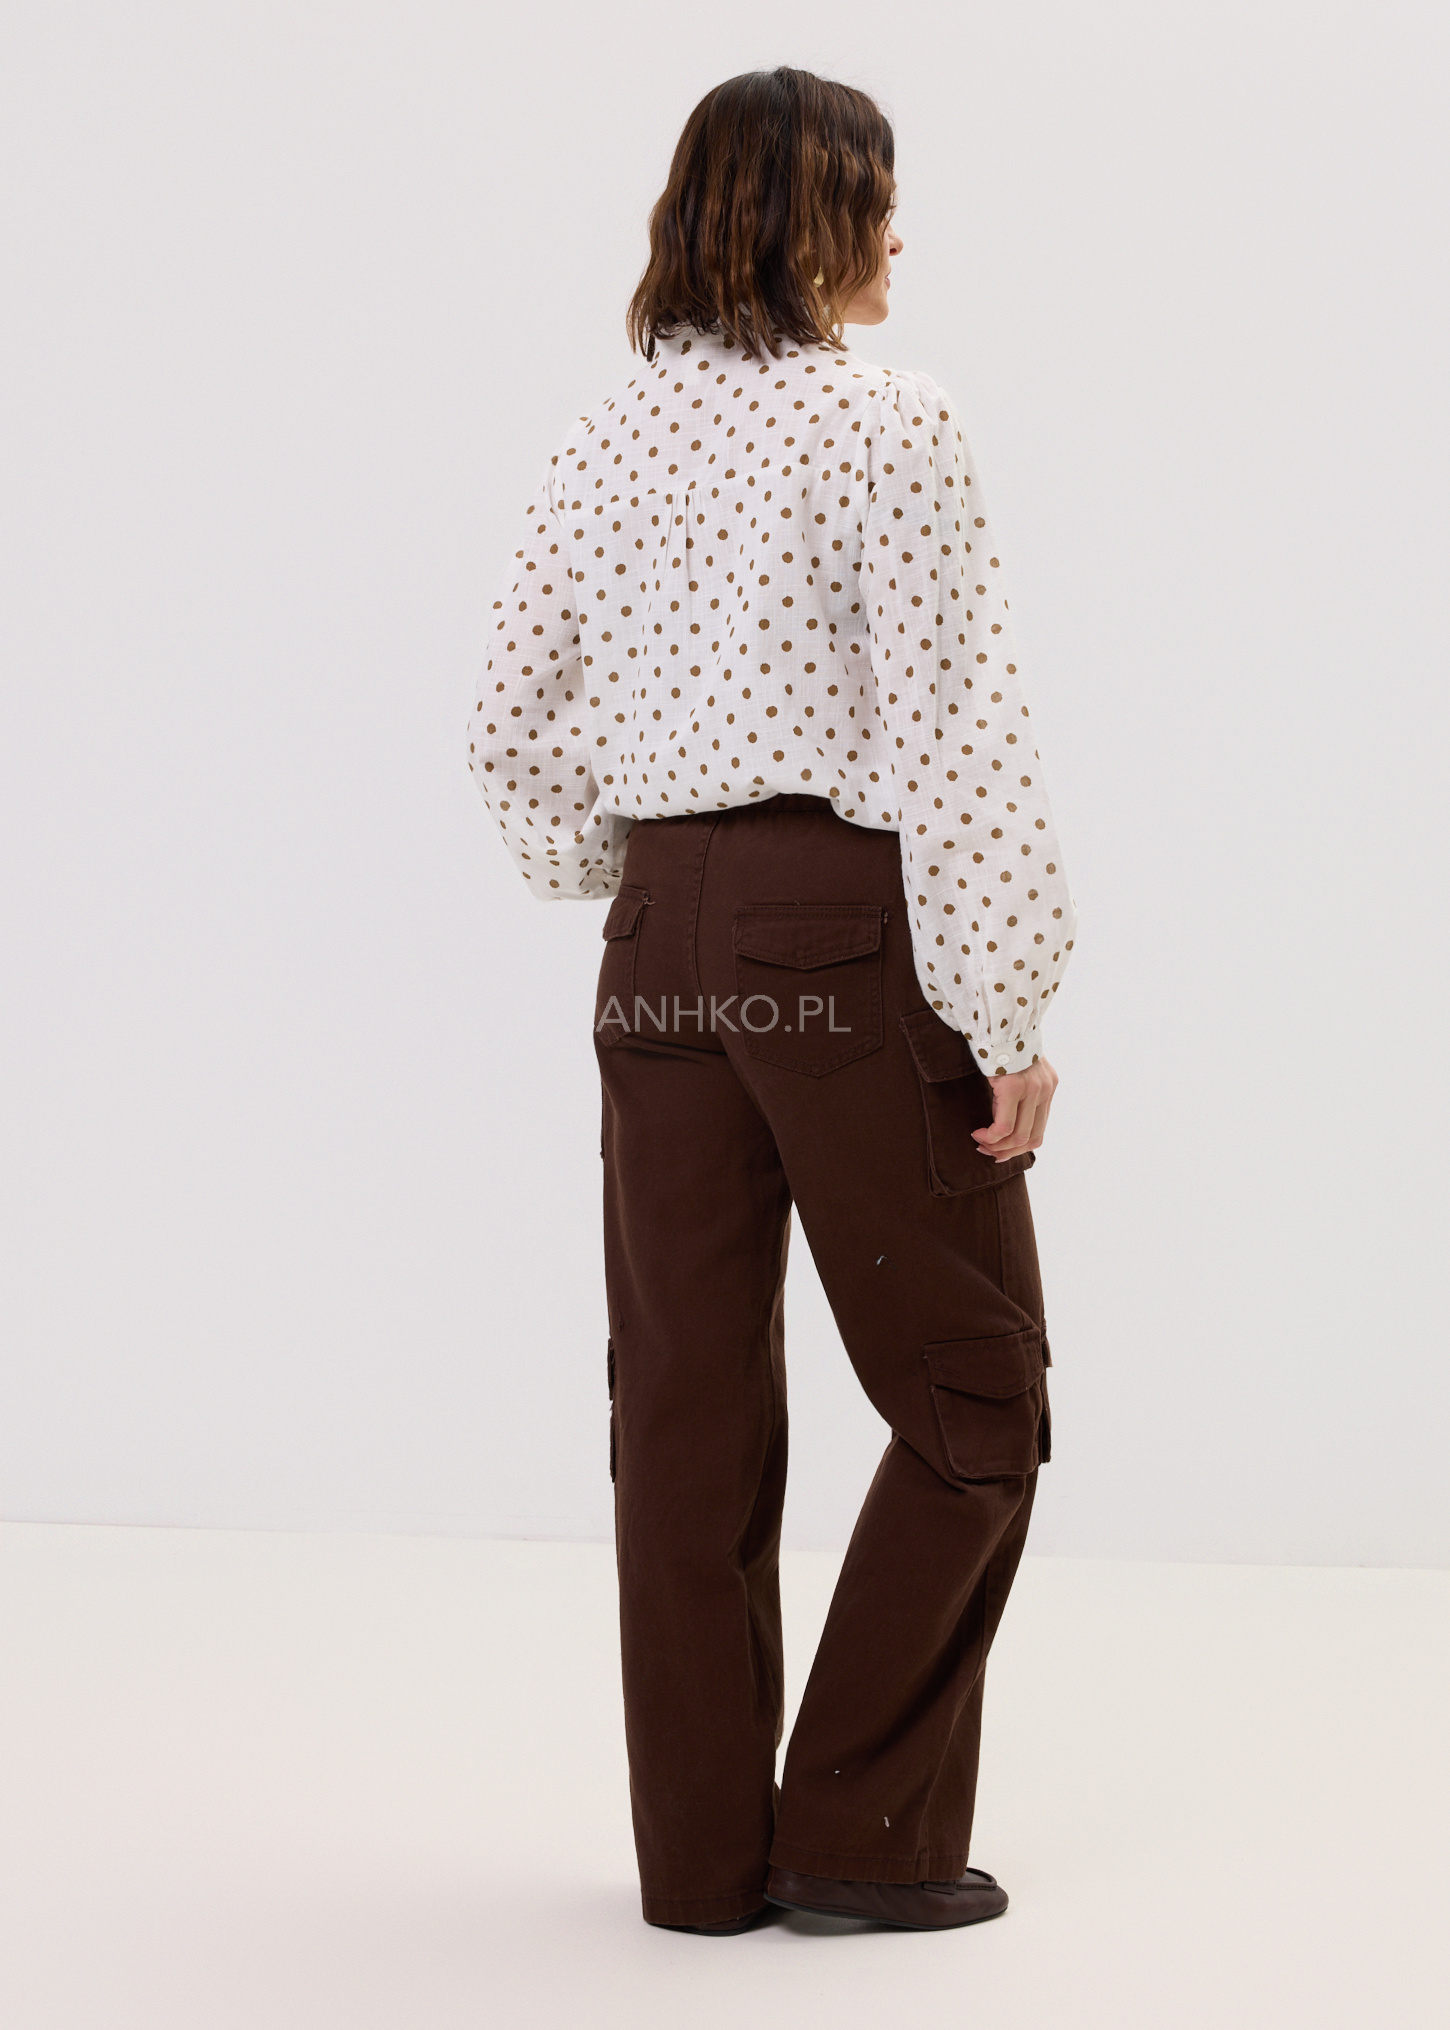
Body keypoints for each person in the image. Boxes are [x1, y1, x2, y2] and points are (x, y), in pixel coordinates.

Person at [468, 66, 1076, 1935]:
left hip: (653, 940)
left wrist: (633, 874)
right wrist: (1005, 1010)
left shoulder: (595, 440)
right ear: (813, 223)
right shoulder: (891, 422)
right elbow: (954, 729)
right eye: (876, 196)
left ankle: (702, 1866)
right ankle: (857, 1835)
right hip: (835, 930)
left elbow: (505, 727)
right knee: (975, 1394)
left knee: (681, 1415)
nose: (899, 232)